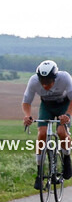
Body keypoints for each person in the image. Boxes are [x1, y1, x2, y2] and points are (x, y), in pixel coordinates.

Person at [21, 59, 72, 187]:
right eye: (42, 81)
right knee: (41, 134)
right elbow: (26, 101)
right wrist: (27, 116)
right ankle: (39, 173)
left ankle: (66, 158)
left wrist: (68, 115)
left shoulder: (65, 78)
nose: (45, 85)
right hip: (47, 106)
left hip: (64, 105)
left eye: (48, 81)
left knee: (61, 132)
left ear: (55, 77)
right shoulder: (33, 81)